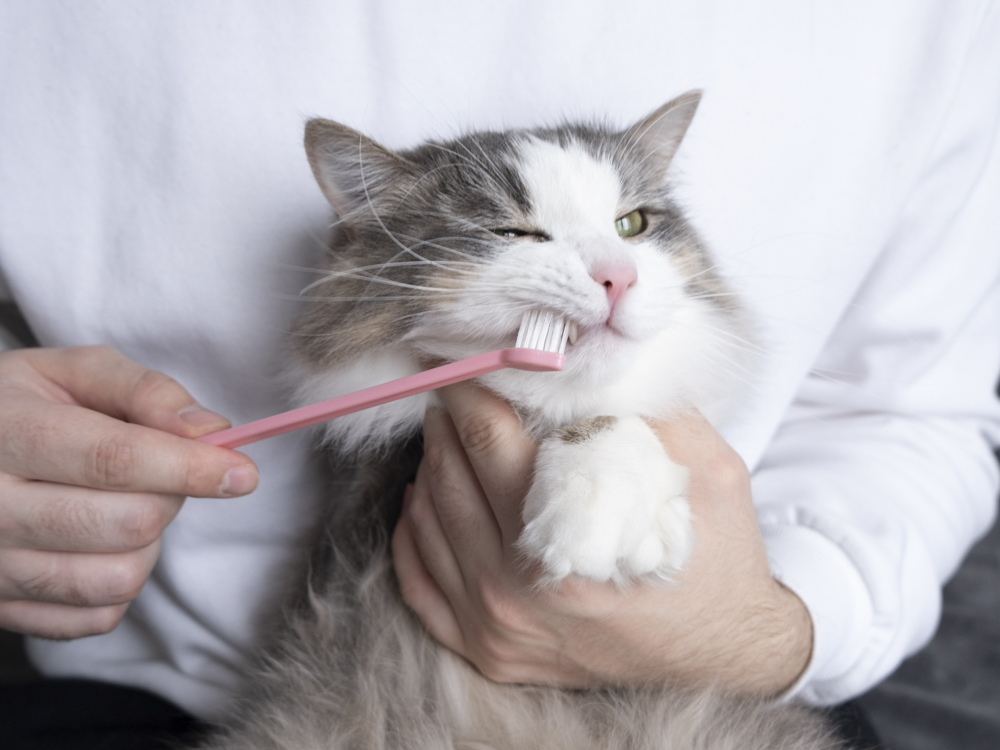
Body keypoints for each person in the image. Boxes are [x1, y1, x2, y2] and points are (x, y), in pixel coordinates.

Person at [1, 1, 998, 747]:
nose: (609, 269)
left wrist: (766, 631)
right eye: (517, 233)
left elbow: (913, 411)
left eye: (635, 223)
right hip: (165, 690)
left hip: (747, 670)